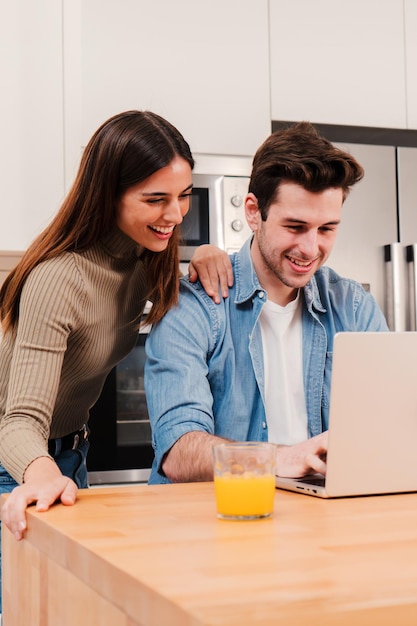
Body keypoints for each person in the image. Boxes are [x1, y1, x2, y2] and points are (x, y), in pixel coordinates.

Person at [0, 110, 232, 607]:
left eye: (184, 196)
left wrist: (211, 252)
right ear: (108, 195)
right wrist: (42, 473)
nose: (175, 215)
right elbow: (17, 421)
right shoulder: (58, 279)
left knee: (68, 607)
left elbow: (175, 265)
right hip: (17, 463)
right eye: (156, 199)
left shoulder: (146, 257)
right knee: (22, 607)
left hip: (68, 458)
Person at [145, 121, 389, 485]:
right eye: (295, 226)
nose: (310, 249)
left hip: (325, 521)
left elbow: (392, 422)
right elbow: (179, 452)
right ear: (253, 212)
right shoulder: (194, 308)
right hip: (217, 524)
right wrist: (280, 459)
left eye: (326, 229)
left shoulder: (353, 306)